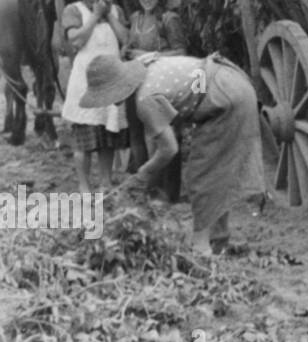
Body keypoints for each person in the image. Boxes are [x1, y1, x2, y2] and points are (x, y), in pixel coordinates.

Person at [82, 52, 265, 254]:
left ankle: (201, 247)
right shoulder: (145, 64)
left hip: (225, 97)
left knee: (201, 174)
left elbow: (169, 149)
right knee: (217, 171)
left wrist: (143, 173)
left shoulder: (146, 99)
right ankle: (218, 238)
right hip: (231, 81)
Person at [61, 0, 130, 193]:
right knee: (83, 139)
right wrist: (95, 16)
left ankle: (106, 182)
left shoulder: (115, 11)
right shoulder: (74, 10)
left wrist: (108, 15)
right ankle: (84, 185)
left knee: (107, 135)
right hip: (85, 81)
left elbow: (124, 38)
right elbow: (76, 39)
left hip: (110, 80)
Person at [122, 0, 188, 195]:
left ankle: (170, 191)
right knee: (137, 133)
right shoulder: (135, 18)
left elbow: (181, 51)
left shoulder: (169, 19)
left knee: (167, 134)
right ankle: (146, 188)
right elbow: (130, 44)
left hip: (162, 83)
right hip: (136, 82)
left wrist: (149, 55)